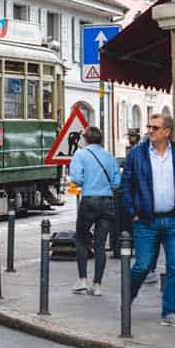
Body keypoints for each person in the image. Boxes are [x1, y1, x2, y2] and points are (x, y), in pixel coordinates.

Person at [122, 114, 175, 328]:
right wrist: (133, 213)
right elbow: (126, 185)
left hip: (173, 220)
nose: (150, 131)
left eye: (155, 128)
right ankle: (126, 299)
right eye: (149, 127)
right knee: (142, 266)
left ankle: (169, 312)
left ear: (167, 132)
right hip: (146, 221)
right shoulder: (137, 154)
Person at [68, 126, 120, 296]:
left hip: (89, 200)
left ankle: (82, 280)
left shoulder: (80, 155)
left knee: (81, 239)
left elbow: (77, 178)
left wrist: (86, 183)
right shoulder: (109, 156)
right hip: (107, 202)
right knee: (100, 244)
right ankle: (97, 285)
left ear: (85, 140)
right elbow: (117, 182)